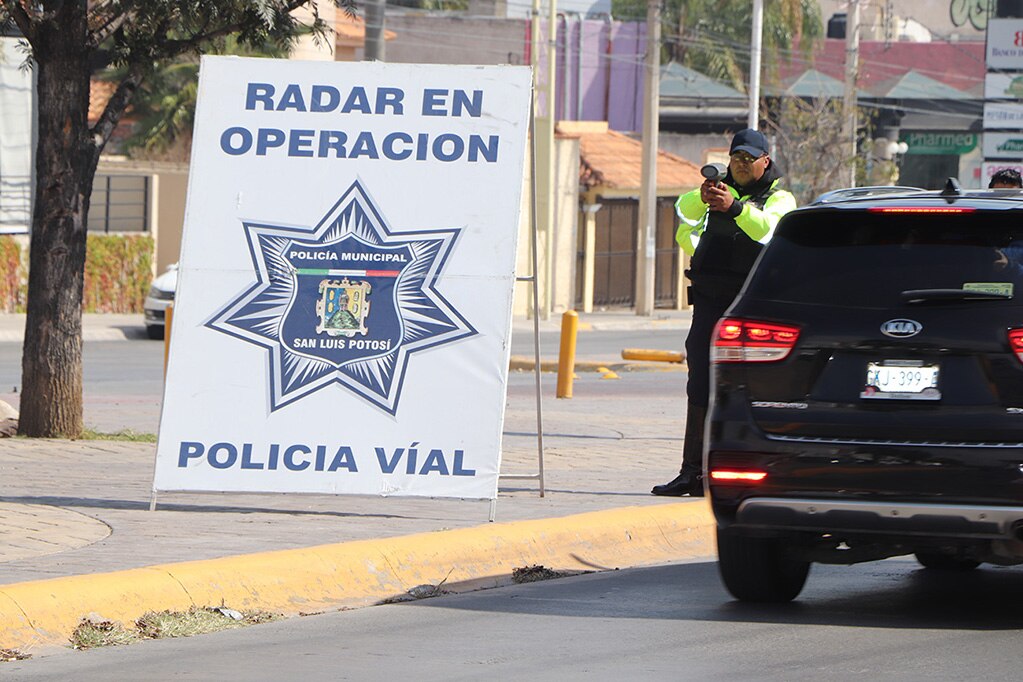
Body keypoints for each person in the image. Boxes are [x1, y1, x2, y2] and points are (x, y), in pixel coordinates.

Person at [652, 129, 797, 497]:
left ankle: (748, 472)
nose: (742, 165)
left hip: (754, 305)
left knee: (748, 387)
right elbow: (683, 212)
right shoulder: (714, 193)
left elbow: (769, 232)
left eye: (749, 159)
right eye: (736, 159)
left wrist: (735, 208)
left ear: (765, 161)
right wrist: (704, 198)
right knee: (700, 383)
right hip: (710, 299)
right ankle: (692, 472)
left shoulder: (779, 198)